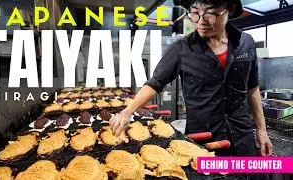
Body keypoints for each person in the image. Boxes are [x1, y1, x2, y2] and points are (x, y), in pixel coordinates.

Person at [110, 0, 273, 158]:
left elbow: (252, 88)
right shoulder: (181, 48)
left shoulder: (246, 43)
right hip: (202, 140)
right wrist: (127, 111)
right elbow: (155, 82)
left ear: (229, 9)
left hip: (242, 136)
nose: (201, 21)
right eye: (194, 13)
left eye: (210, 13)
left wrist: (261, 130)